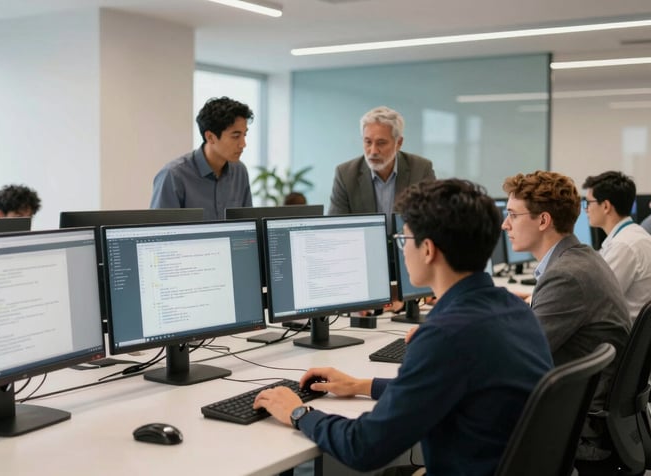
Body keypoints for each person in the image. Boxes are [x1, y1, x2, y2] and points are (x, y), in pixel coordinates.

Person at [254, 179, 553, 475]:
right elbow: (442, 387)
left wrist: (299, 413)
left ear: (428, 250)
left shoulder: (446, 335)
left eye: (404, 238)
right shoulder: (514, 309)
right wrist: (362, 385)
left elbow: (364, 447)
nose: (402, 248)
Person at [502, 170, 630, 462]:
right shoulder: (580, 258)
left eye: (512, 215)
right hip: (586, 415)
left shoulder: (567, 276)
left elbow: (516, 358)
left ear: (543, 220)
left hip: (579, 430)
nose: (504, 224)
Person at [150, 96, 253, 220]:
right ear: (210, 137)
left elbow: (247, 224)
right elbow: (162, 229)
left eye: (244, 135)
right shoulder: (173, 175)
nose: (243, 144)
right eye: (235, 136)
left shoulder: (240, 172)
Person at [328, 106, 435, 216]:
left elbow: (433, 218)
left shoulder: (421, 169)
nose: (373, 151)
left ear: (398, 143)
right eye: (368, 142)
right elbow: (336, 224)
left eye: (381, 143)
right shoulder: (345, 175)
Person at [582, 171, 651, 320]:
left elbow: (594, 298)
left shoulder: (624, 246)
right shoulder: (632, 235)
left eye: (588, 203)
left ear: (606, 206)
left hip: (621, 331)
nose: (586, 209)